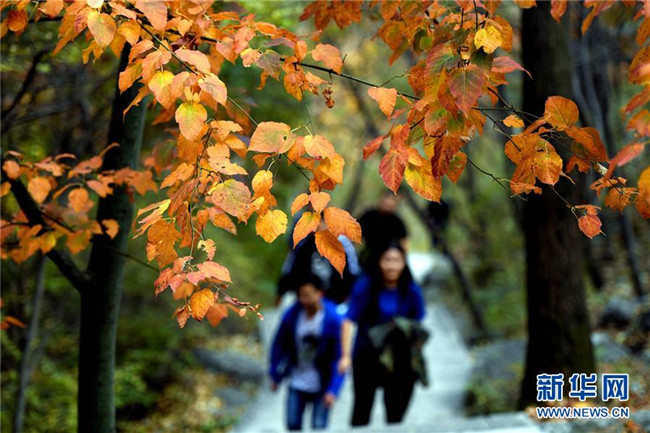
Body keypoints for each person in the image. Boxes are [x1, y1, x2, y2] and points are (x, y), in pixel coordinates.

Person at [338, 242, 427, 426]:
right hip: (367, 355)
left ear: (404, 263)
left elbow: (418, 323)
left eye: (396, 260)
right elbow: (349, 320)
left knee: (395, 413)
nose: (391, 266)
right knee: (362, 410)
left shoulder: (411, 290)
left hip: (399, 358)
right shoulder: (366, 286)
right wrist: (345, 356)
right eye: (387, 260)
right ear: (379, 262)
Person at [269, 275, 345, 431]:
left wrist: (333, 389)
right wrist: (275, 374)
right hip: (297, 379)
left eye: (308, 295)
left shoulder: (333, 319)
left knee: (319, 426)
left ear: (319, 294)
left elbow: (339, 357)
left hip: (322, 382)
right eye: (301, 295)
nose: (304, 300)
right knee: (293, 424)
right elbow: (279, 344)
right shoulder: (292, 315)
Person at [276, 217, 360, 306]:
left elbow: (351, 272)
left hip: (334, 298)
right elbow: (294, 269)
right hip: (308, 297)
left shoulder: (341, 244)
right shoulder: (306, 245)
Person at [357, 192, 408, 267]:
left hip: (389, 258)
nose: (388, 202)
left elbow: (403, 243)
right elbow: (355, 232)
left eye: (392, 200)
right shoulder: (368, 216)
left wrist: (403, 259)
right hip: (369, 256)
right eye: (387, 198)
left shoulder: (397, 222)